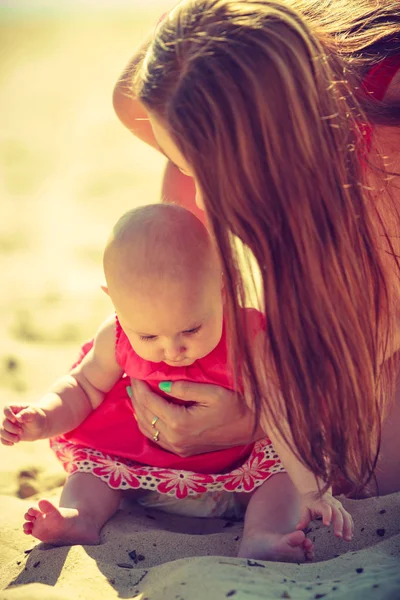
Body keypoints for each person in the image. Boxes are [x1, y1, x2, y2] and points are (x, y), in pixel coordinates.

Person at [111, 0, 400, 500]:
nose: (201, 198)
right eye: (185, 166)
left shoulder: (383, 173)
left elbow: (358, 356)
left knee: (371, 473)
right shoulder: (171, 71)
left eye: (215, 178)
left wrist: (255, 423)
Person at [1, 204, 354, 560]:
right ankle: (81, 517)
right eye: (149, 336)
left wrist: (311, 490)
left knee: (282, 475)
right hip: (139, 470)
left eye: (191, 329)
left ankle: (262, 535)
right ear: (115, 302)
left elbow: (282, 414)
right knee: (92, 469)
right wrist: (43, 418)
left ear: (222, 286)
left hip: (237, 471)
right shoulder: (117, 334)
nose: (173, 350)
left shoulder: (250, 338)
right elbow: (82, 388)